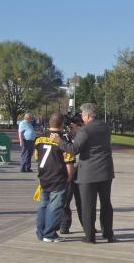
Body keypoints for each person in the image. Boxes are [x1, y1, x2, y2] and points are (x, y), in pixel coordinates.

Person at [50, 103, 116, 244]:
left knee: (88, 205)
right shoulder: (105, 127)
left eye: (82, 115)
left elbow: (74, 149)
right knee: (106, 204)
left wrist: (59, 141)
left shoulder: (84, 131)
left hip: (88, 173)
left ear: (86, 116)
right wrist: (79, 131)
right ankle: (108, 234)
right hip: (106, 171)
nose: (81, 117)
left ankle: (90, 236)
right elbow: (92, 139)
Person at [35, 113, 73, 242]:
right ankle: (49, 234)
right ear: (62, 124)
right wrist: (69, 178)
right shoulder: (63, 140)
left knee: (43, 205)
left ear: (49, 123)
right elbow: (69, 162)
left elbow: (36, 157)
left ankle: (40, 232)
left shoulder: (39, 138)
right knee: (55, 206)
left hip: (43, 176)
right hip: (58, 176)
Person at [59, 113, 84, 234]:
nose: (70, 127)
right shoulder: (66, 137)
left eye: (73, 125)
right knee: (65, 202)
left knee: (82, 202)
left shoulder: (84, 135)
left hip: (81, 171)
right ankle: (64, 226)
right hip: (68, 171)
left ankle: (87, 226)